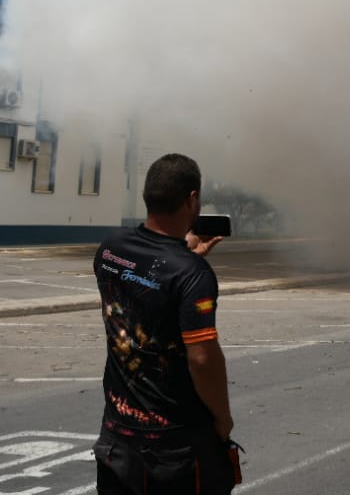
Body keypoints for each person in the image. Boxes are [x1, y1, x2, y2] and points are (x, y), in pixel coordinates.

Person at [93, 153, 239, 494]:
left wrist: (185, 254)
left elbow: (143, 284)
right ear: (192, 199)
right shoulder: (191, 275)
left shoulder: (109, 249)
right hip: (175, 451)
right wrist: (223, 418)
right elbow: (202, 358)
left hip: (116, 440)